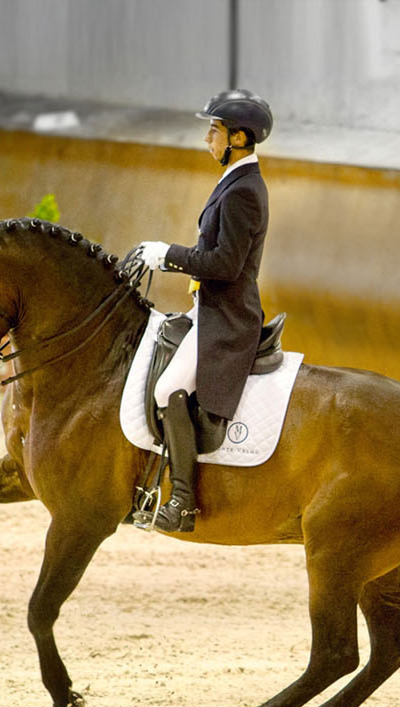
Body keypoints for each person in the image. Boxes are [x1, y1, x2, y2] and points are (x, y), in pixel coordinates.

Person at [135, 89, 273, 533]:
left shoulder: (243, 192)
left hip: (227, 318)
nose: (206, 138)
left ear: (237, 137)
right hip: (209, 309)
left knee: (167, 389)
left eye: (213, 130)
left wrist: (168, 255)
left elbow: (225, 264)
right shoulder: (234, 180)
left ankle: (182, 501)